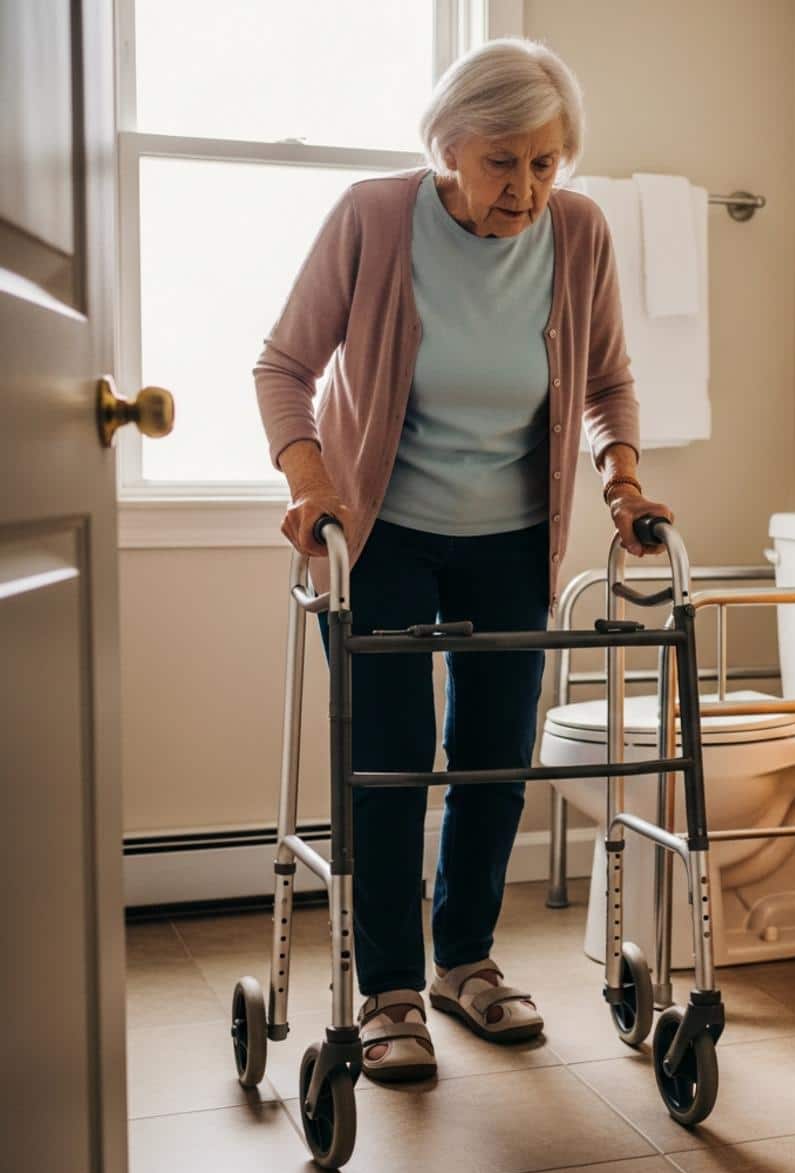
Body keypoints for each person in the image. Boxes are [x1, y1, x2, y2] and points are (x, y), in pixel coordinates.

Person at [253, 36, 673, 1082]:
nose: (526, 188)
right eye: (502, 162)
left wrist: (621, 481)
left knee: (492, 760)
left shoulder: (577, 233)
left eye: (545, 162)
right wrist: (312, 489)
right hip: (384, 531)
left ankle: (466, 962)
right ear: (446, 148)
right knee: (393, 760)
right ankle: (391, 988)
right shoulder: (373, 217)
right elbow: (285, 366)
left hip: (512, 538)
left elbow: (609, 383)